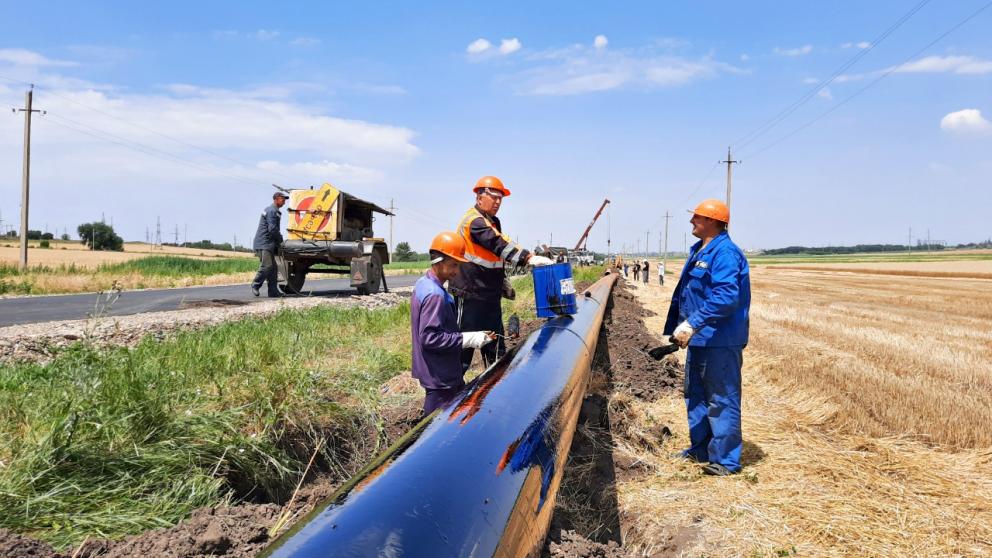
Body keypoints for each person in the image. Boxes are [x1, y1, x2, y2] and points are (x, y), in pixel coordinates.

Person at [664, 199, 751, 476]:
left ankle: (725, 461)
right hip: (701, 339)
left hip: (720, 339)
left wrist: (692, 323)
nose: (692, 221)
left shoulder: (725, 253)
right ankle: (701, 450)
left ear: (713, 221)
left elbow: (725, 297)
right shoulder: (700, 249)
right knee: (697, 395)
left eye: (698, 218)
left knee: (722, 398)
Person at [449, 176, 553, 372]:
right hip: (470, 294)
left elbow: (497, 252)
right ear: (479, 197)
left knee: (495, 347)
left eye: (500, 198)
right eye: (494, 197)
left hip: (489, 294)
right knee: (463, 349)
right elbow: (497, 244)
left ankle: (495, 384)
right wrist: (528, 258)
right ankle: (453, 388)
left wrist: (502, 281)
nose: (498, 202)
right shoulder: (473, 221)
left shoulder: (492, 221)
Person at [411, 232, 496, 415]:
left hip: (440, 371)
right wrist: (468, 339)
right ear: (438, 262)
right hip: (440, 376)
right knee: (436, 424)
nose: (457, 271)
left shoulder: (423, 284)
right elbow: (430, 338)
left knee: (456, 413)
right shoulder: (435, 296)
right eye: (453, 265)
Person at [251, 191, 288, 297]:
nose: (284, 202)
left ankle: (273, 291)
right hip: (264, 243)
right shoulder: (271, 210)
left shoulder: (274, 210)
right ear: (276, 199)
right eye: (282, 199)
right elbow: (272, 229)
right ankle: (255, 284)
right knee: (267, 265)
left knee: (274, 268)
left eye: (285, 200)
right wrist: (280, 241)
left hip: (269, 243)